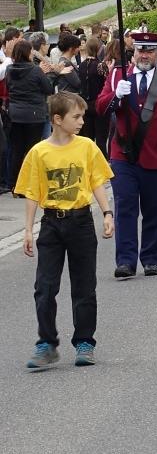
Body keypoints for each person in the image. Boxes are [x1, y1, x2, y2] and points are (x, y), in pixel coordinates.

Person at [17, 92, 114, 371]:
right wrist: (27, 230)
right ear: (58, 120)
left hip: (81, 222)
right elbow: (32, 192)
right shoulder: (39, 152)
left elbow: (96, 181)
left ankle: (84, 342)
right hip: (51, 224)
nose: (82, 121)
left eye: (83, 116)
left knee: (84, 287)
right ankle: (46, 343)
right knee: (45, 288)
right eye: (77, 117)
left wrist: (107, 213)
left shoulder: (87, 147)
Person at [95, 32, 157, 279]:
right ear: (134, 52)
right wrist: (115, 95)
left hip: (156, 156)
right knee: (125, 208)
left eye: (150, 51)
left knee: (153, 210)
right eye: (141, 50)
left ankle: (150, 258)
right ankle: (125, 261)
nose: (145, 55)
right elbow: (100, 107)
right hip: (123, 154)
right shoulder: (118, 75)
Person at [7, 40, 55, 182]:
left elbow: (9, 86)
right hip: (34, 113)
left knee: (17, 150)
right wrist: (45, 74)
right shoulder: (35, 70)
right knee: (32, 149)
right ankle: (30, 182)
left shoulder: (10, 69)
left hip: (15, 113)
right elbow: (48, 89)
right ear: (28, 53)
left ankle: (15, 183)